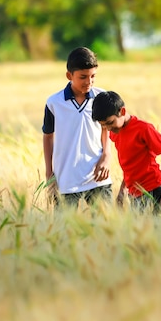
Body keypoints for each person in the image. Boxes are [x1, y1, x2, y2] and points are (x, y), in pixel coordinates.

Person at [42, 47, 112, 208]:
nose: (89, 82)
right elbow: (47, 136)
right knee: (64, 230)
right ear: (69, 75)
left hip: (99, 178)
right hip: (65, 180)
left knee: (104, 228)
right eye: (83, 77)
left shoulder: (101, 97)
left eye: (93, 76)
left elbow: (105, 130)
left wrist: (106, 157)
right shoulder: (54, 103)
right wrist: (49, 173)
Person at [91, 91, 161, 213]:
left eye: (110, 123)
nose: (109, 129)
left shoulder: (143, 129)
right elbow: (130, 165)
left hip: (154, 191)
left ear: (123, 112)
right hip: (134, 196)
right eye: (104, 126)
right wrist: (122, 191)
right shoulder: (115, 133)